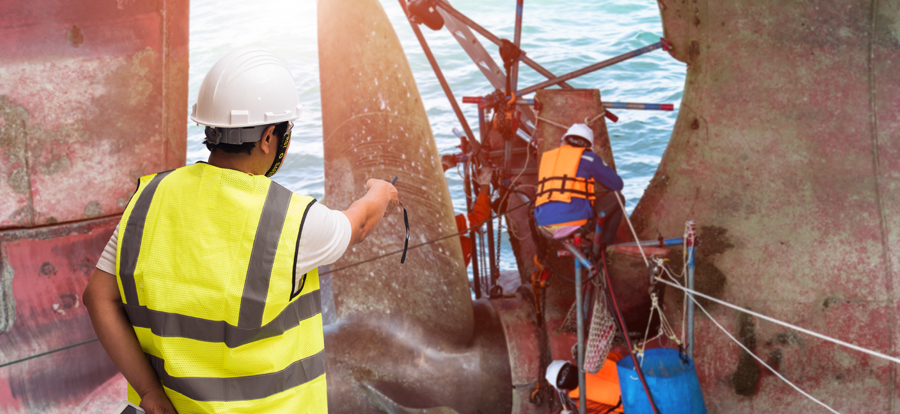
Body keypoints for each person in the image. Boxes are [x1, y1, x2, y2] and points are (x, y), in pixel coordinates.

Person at [82, 48, 399, 414]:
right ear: (269, 139)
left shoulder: (150, 197)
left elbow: (97, 298)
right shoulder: (292, 222)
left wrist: (150, 393)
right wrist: (381, 191)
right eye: (286, 131)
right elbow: (357, 224)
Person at [534, 123, 624, 246]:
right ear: (588, 146)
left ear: (564, 140)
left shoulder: (548, 158)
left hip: (543, 227)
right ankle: (604, 252)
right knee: (618, 198)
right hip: (573, 226)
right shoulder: (589, 157)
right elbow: (617, 185)